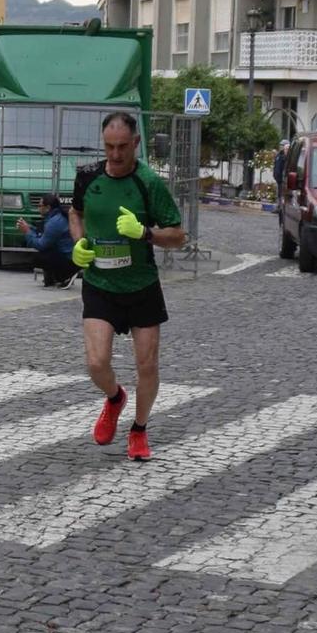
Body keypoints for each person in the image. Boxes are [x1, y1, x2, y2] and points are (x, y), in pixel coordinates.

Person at [71, 111, 188, 462]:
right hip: (100, 283)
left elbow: (179, 235)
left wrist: (146, 233)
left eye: (123, 147)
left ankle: (139, 429)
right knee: (96, 363)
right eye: (109, 146)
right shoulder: (88, 177)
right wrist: (77, 244)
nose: (116, 154)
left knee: (147, 365)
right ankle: (114, 398)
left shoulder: (148, 183)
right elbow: (75, 213)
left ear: (136, 144)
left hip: (140, 286)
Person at [19, 194, 77, 287]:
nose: (38, 208)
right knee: (45, 253)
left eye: (40, 205)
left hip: (68, 258)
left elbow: (41, 244)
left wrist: (27, 232)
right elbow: (44, 235)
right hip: (67, 254)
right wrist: (30, 229)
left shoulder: (54, 222)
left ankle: (64, 275)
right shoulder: (55, 218)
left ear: (47, 207)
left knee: (39, 258)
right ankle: (56, 277)